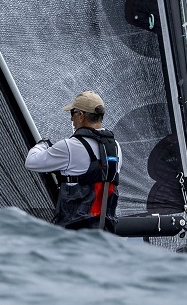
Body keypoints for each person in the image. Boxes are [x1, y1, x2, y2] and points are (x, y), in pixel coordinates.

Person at [25, 91, 121, 230]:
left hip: (75, 232)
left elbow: (31, 162)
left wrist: (43, 144)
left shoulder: (69, 146)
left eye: (72, 114)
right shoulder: (116, 148)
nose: (71, 120)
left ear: (81, 115)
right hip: (105, 230)